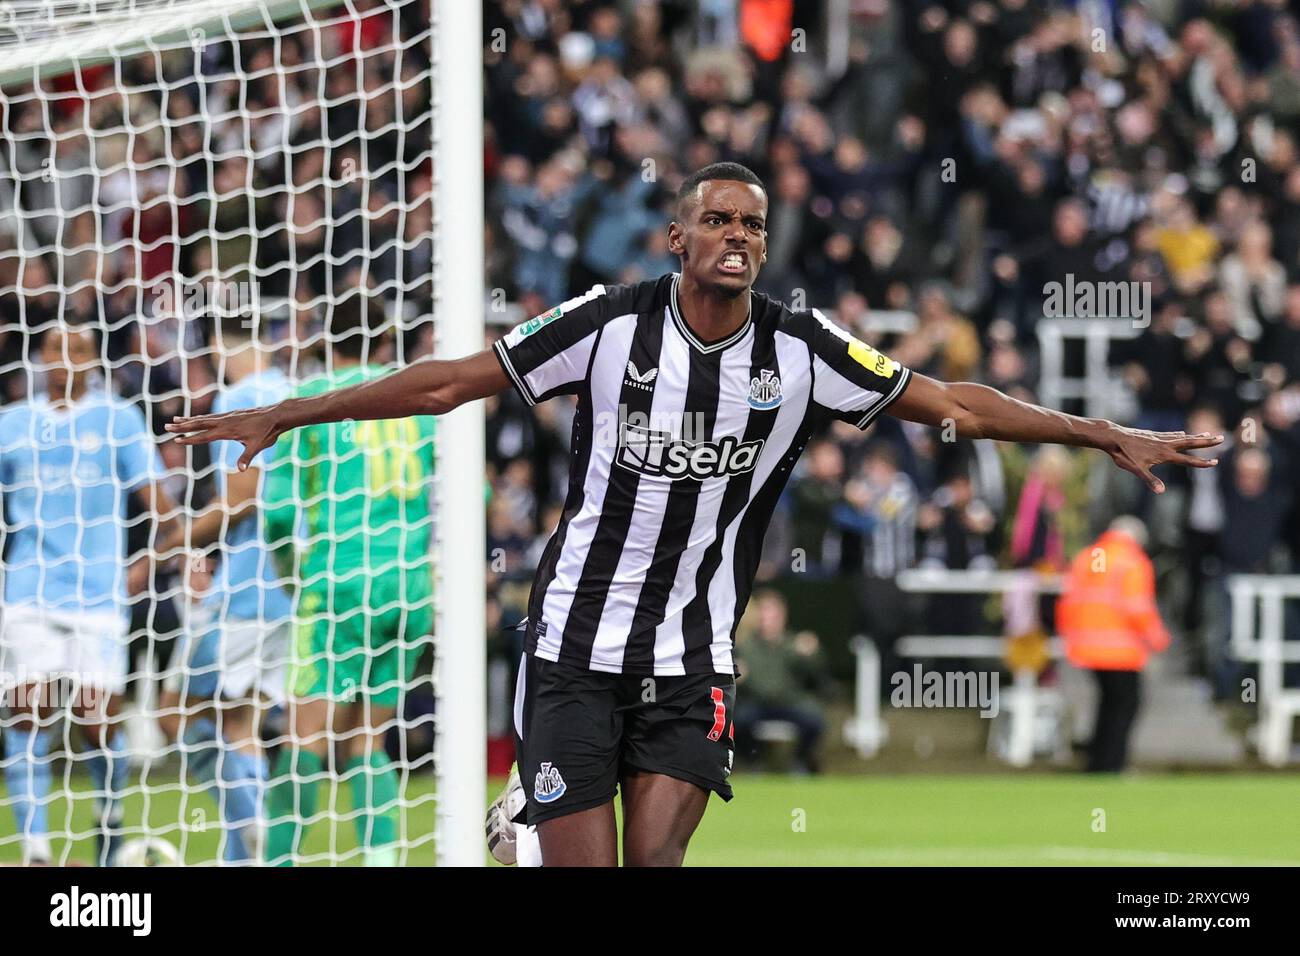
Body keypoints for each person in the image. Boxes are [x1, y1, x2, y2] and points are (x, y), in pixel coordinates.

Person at [167, 162, 1223, 867]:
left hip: (692, 650)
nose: (736, 236)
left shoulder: (801, 349)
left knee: (655, 861)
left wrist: (1101, 433)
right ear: (676, 235)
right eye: (716, 219)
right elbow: (450, 382)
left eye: (752, 225)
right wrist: (291, 412)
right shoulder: (602, 324)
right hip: (576, 640)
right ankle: (532, 827)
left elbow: (953, 405)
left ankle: (528, 823)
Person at [259, 293, 435, 866]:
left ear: (324, 342)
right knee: (368, 741)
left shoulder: (311, 403)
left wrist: (292, 575)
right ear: (387, 343)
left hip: (338, 584)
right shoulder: (416, 403)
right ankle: (383, 861)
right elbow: (473, 491)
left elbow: (281, 511)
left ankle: (278, 862)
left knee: (305, 739)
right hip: (408, 589)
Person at [0, 322, 177, 866]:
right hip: (29, 588)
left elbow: (159, 505)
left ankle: (109, 824)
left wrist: (156, 562)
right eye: (56, 349)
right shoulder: (12, 424)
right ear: (41, 359)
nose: (66, 359)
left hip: (99, 594)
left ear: (94, 359)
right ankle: (34, 849)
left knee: (96, 721)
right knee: (26, 713)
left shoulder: (118, 420)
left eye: (78, 350)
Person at [154, 314, 293, 864]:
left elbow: (241, 500)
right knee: (242, 723)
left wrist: (174, 541)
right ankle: (246, 854)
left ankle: (252, 820)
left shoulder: (240, 399)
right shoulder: (296, 393)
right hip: (292, 586)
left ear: (216, 344)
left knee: (174, 709)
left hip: (245, 591)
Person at [1056, 517, 1170, 773]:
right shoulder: (1132, 561)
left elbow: (1068, 602)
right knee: (1124, 706)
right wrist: (1158, 639)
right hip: (1120, 649)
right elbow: (1137, 607)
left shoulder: (1086, 557)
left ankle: (1098, 763)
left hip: (1087, 647)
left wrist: (1072, 637)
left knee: (1107, 704)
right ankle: (1112, 764)